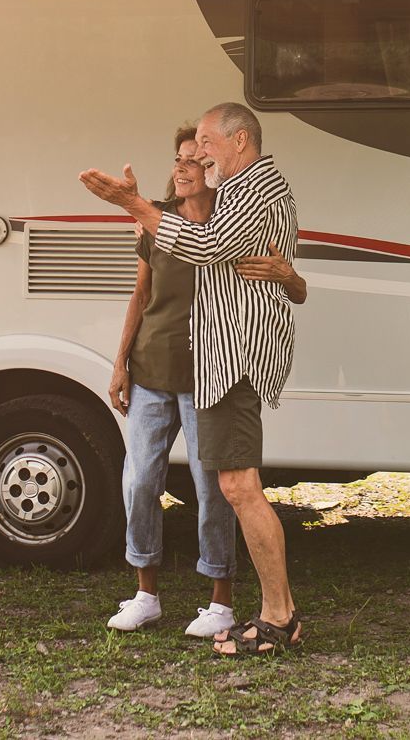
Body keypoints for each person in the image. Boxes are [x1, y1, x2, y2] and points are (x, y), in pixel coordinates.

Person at [81, 102, 306, 656]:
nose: (199, 153)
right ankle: (277, 614)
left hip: (230, 363)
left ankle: (279, 617)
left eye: (207, 142)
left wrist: (131, 203)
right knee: (234, 486)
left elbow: (204, 246)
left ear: (240, 141)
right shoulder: (245, 187)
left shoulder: (253, 190)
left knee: (238, 489)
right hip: (216, 364)